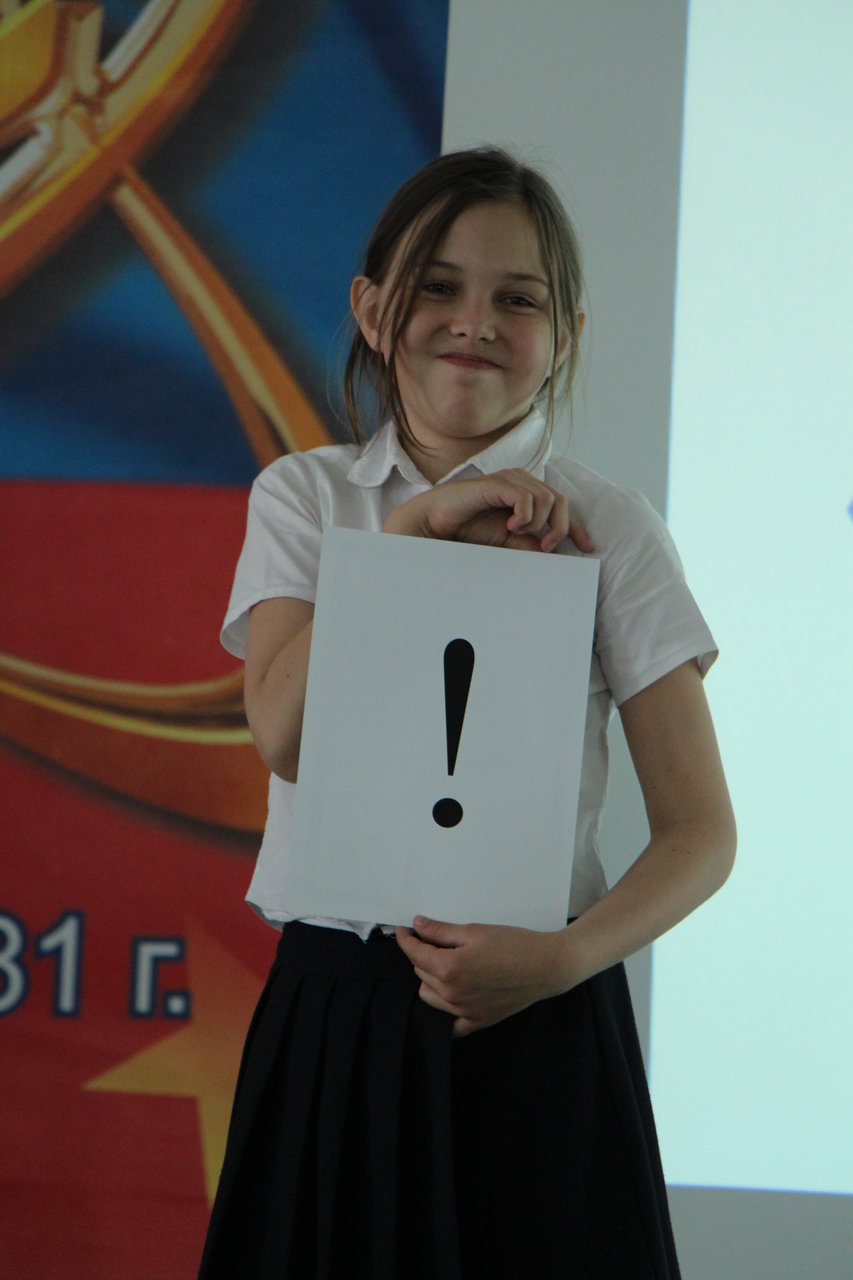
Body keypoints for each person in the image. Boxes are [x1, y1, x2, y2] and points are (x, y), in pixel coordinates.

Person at [198, 147, 736, 1280]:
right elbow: (285, 739)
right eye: (437, 286)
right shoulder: (308, 495)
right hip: (340, 1007)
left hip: (535, 1003)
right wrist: (412, 537)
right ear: (371, 308)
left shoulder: (609, 525)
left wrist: (563, 959)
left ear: (566, 333)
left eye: (518, 300)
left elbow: (701, 830)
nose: (473, 323)